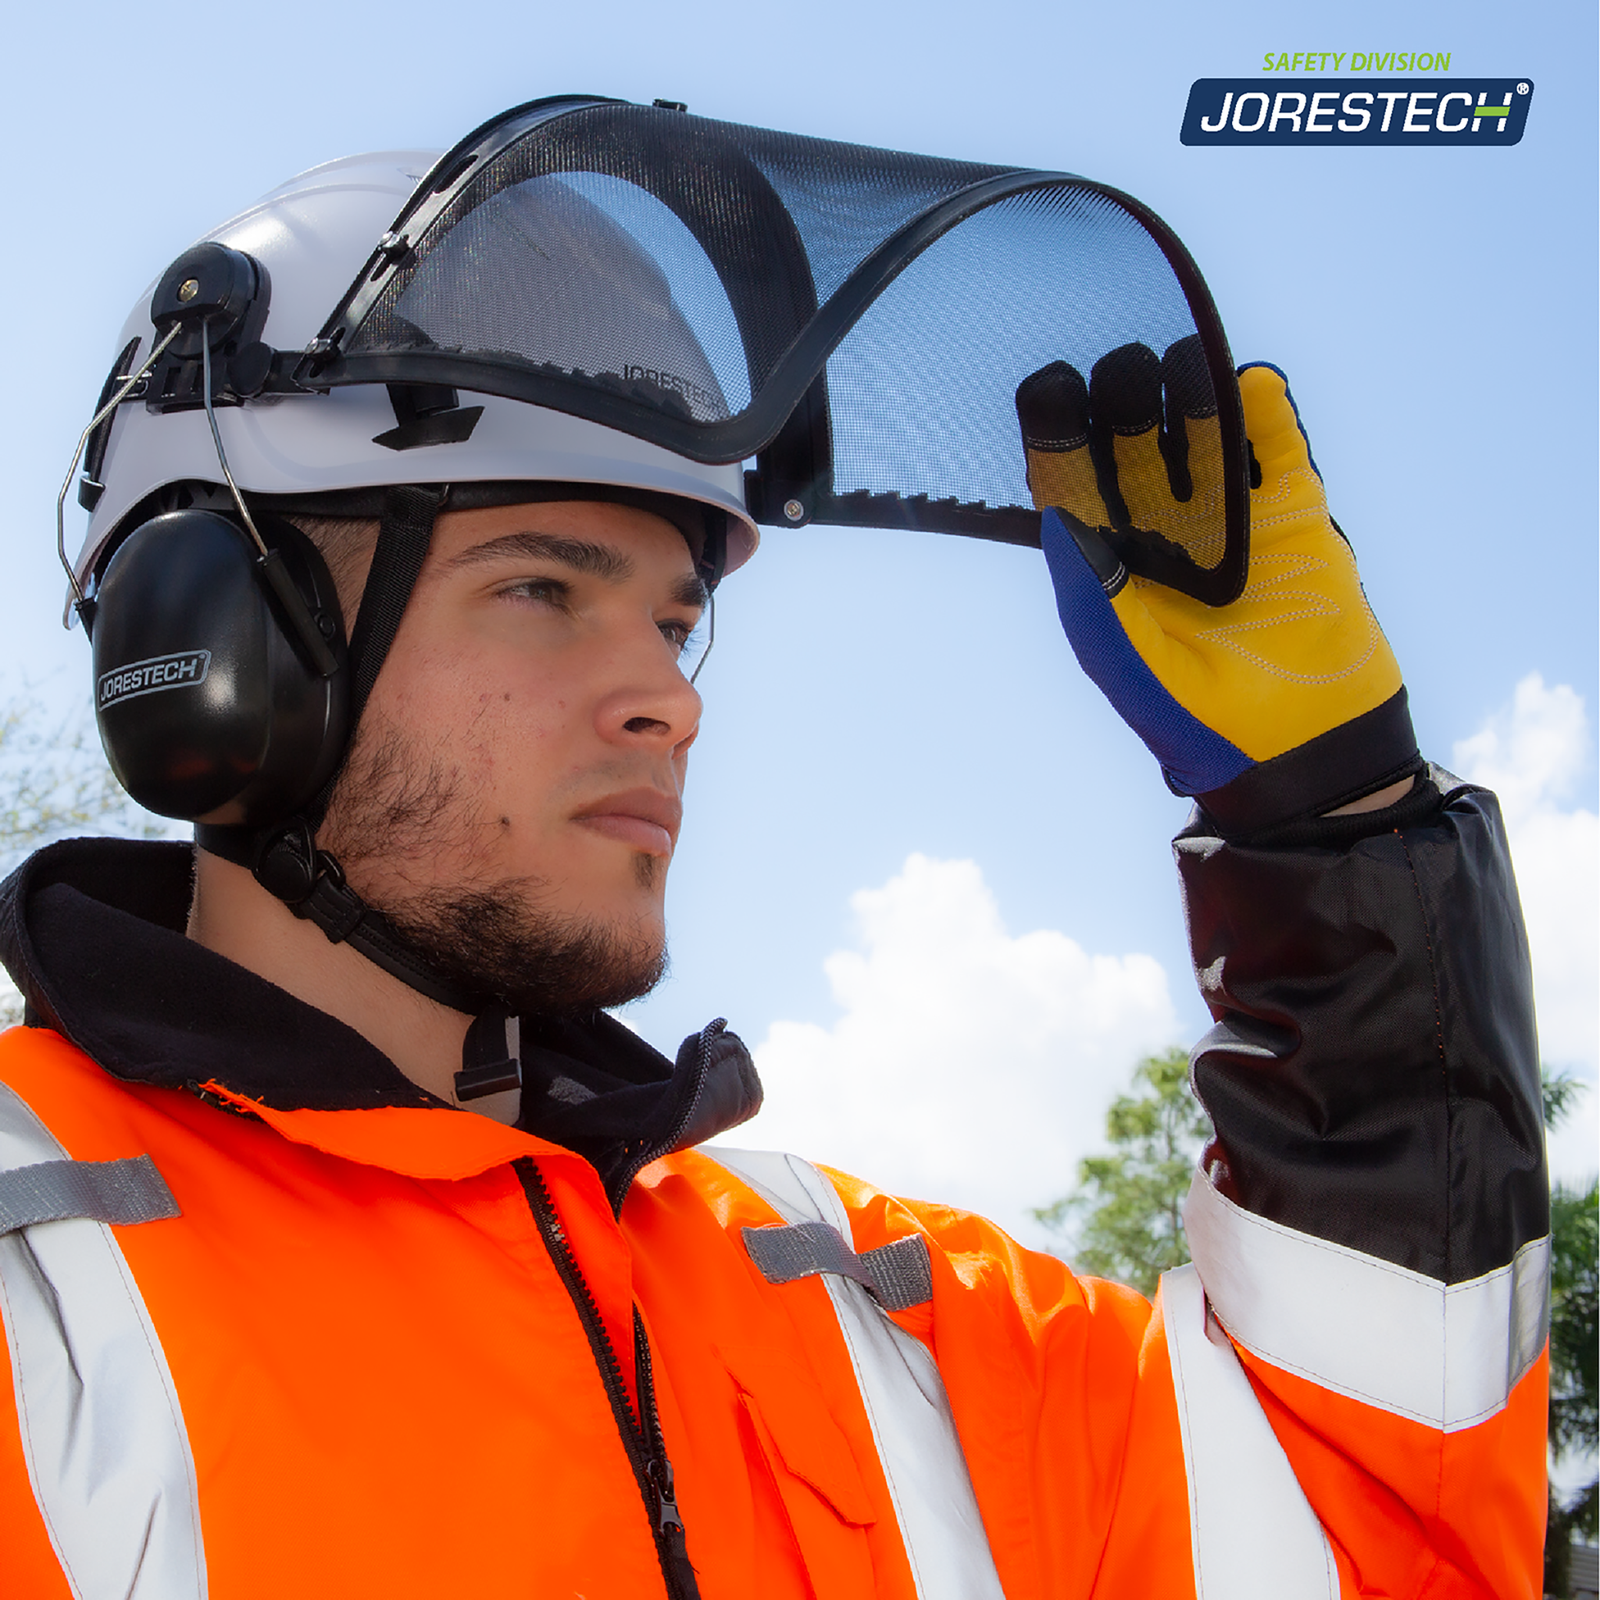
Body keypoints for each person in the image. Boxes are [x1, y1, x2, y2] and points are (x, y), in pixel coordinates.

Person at [0, 105, 1547, 1599]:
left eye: (677, 621)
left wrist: (1334, 824)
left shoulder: (859, 1297)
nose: (667, 698)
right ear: (221, 649)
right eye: (543, 589)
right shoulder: (33, 1281)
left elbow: (1373, 1546)